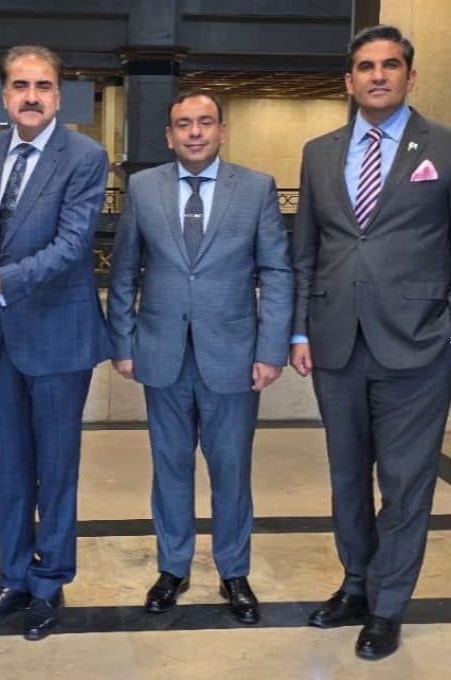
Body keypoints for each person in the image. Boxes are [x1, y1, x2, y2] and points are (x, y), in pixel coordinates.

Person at [290, 24, 451, 661]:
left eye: (390, 65)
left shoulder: (443, 146)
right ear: (349, 80)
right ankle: (356, 583)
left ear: (411, 76)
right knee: (347, 475)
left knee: (407, 482)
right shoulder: (319, 152)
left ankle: (387, 607)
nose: (377, 75)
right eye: (365, 66)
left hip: (419, 343)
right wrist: (299, 327)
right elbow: (306, 249)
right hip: (336, 342)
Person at [0, 44, 110, 641]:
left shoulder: (85, 157)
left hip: (59, 334)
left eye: (42, 86)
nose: (31, 96)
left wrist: (0, 281)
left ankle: (49, 583)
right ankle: (13, 576)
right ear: (5, 95)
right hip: (1, 336)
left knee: (56, 470)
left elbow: (72, 246)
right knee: (10, 467)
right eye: (20, 86)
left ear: (59, 96)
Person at [107, 92, 293, 625]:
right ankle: (173, 568)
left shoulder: (256, 188)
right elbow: (124, 271)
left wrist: (271, 349)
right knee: (170, 467)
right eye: (184, 124)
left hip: (233, 356)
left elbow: (276, 271)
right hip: (160, 354)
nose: (195, 132)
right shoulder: (144, 188)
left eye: (205, 122)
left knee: (231, 469)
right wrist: (123, 342)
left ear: (222, 131)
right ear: (169, 136)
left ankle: (234, 571)